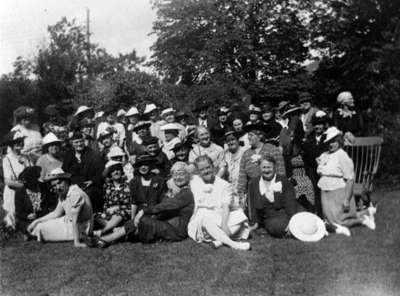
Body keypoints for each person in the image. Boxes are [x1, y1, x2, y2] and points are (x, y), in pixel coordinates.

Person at [97, 162, 195, 246]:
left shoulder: (187, 193)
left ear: (188, 175)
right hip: (167, 225)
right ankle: (106, 239)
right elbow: (165, 204)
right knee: (140, 224)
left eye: (182, 174)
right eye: (175, 175)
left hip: (176, 231)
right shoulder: (175, 191)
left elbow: (167, 205)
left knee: (143, 221)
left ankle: (105, 239)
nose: (178, 177)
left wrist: (144, 211)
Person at [316, 127, 376, 236]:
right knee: (329, 220)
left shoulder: (342, 155)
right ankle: (366, 212)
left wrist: (347, 199)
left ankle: (362, 219)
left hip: (338, 190)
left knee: (339, 221)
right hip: (325, 191)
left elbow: (350, 179)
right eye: (329, 142)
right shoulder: (325, 155)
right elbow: (322, 168)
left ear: (339, 142)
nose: (331, 144)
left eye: (334, 141)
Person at [188, 155, 250, 250]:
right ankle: (234, 244)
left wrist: (224, 225)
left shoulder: (224, 185)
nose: (206, 171)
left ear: (213, 167)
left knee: (240, 215)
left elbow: (226, 206)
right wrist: (194, 165)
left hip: (218, 216)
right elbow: (184, 170)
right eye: (202, 169)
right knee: (205, 218)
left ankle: (220, 241)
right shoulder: (194, 180)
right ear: (198, 172)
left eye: (208, 167)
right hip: (200, 219)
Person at [27, 168, 93, 247]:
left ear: (66, 181)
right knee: (39, 225)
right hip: (68, 221)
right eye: (54, 185)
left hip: (81, 227)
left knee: (41, 228)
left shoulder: (75, 194)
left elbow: (75, 221)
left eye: (59, 183)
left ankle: (88, 235)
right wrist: (37, 221)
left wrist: (77, 242)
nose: (57, 187)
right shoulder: (63, 193)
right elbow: (56, 213)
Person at [237, 123, 286, 218]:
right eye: (248, 135)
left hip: (271, 190)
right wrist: (241, 195)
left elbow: (281, 172)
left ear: (260, 136)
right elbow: (242, 177)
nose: (248, 138)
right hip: (253, 193)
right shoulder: (246, 154)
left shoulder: (272, 150)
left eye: (251, 135)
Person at [247, 155, 298, 237]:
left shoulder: (283, 180)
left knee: (304, 221)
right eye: (264, 167)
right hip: (269, 216)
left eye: (269, 167)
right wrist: (255, 223)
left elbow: (290, 202)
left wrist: (292, 220)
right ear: (259, 168)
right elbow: (252, 205)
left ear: (274, 167)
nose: (266, 170)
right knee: (277, 226)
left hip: (286, 212)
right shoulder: (253, 183)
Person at [62, 131, 104, 212]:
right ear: (72, 143)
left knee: (89, 194)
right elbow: (64, 172)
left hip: (89, 186)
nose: (79, 144)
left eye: (81, 141)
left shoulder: (92, 154)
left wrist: (93, 181)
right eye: (76, 142)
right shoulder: (69, 156)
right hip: (73, 187)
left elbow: (101, 172)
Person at [1, 131, 32, 228]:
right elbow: (8, 181)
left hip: (27, 191)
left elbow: (33, 174)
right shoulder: (7, 159)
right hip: (13, 191)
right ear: (11, 144)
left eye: (21, 140)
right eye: (17, 141)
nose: (20, 143)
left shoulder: (27, 157)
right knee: (12, 221)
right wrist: (23, 185)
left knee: (27, 218)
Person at [301, 111, 328, 217]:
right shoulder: (309, 137)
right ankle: (317, 212)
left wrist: (313, 151)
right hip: (312, 167)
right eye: (316, 124)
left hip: (326, 168)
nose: (318, 127)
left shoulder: (328, 137)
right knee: (314, 188)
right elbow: (308, 152)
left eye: (320, 124)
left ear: (325, 125)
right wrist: (312, 151)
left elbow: (324, 151)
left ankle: (326, 213)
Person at [94, 161, 131, 237]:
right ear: (110, 174)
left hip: (124, 212)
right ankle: (113, 229)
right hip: (109, 213)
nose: (116, 172)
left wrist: (117, 207)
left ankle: (101, 232)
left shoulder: (128, 186)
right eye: (113, 171)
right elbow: (105, 203)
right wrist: (108, 210)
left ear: (121, 172)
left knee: (120, 214)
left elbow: (132, 204)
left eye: (118, 170)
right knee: (94, 216)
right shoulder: (107, 187)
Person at [15, 166, 55, 238]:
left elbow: (52, 203)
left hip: (43, 218)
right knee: (25, 225)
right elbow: (18, 212)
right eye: (26, 182)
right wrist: (27, 216)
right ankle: (33, 232)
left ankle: (37, 232)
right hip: (28, 220)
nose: (26, 184)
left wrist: (49, 212)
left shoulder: (44, 187)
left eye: (29, 181)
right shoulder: (20, 192)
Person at [129, 154, 167, 222]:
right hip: (139, 213)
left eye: (146, 165)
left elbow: (162, 202)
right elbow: (134, 202)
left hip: (154, 213)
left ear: (150, 166)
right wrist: (132, 218)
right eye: (140, 165)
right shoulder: (134, 182)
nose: (143, 167)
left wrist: (155, 214)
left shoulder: (159, 180)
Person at [217, 129, 246, 209]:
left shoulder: (245, 152)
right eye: (228, 141)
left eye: (233, 139)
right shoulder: (224, 154)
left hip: (242, 189)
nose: (231, 142)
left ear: (237, 140)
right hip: (229, 190)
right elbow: (220, 171)